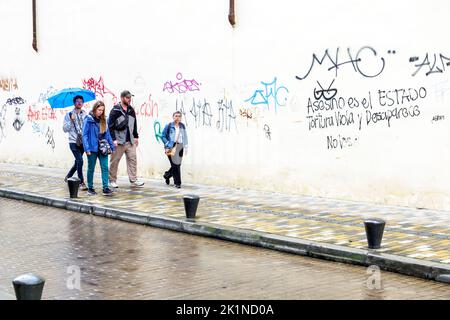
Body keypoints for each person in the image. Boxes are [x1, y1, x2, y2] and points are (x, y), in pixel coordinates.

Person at [107, 90, 144, 188]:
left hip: (130, 141)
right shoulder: (115, 110)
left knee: (133, 159)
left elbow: (134, 123)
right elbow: (110, 126)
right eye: (127, 98)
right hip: (119, 141)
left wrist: (136, 136)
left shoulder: (131, 109)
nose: (129, 99)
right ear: (122, 98)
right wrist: (113, 139)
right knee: (114, 161)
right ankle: (112, 180)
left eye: (130, 98)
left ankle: (134, 179)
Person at [82, 101, 116, 196]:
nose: (100, 112)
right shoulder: (88, 119)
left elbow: (108, 134)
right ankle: (90, 188)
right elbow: (84, 135)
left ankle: (105, 188)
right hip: (92, 148)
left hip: (103, 148)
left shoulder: (104, 120)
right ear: (95, 109)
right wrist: (87, 149)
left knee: (105, 167)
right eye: (99, 109)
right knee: (91, 168)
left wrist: (112, 147)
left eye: (102, 110)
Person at [62, 95, 88, 190]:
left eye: (81, 101)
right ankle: (81, 182)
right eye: (77, 101)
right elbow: (65, 129)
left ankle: (68, 177)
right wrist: (71, 120)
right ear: (74, 103)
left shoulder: (85, 114)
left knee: (78, 161)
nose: (79, 103)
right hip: (73, 141)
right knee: (80, 160)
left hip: (82, 142)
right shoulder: (68, 115)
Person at [162, 111, 188, 188]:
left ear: (181, 118)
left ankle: (167, 175)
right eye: (176, 116)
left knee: (177, 165)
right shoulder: (169, 126)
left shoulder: (182, 126)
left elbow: (185, 136)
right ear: (173, 117)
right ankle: (177, 183)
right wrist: (167, 144)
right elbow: (163, 136)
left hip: (180, 146)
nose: (177, 117)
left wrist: (186, 146)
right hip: (171, 146)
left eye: (179, 116)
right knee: (175, 165)